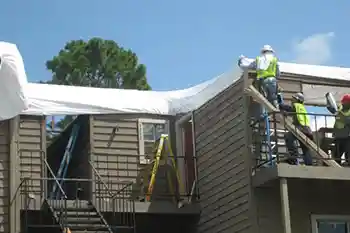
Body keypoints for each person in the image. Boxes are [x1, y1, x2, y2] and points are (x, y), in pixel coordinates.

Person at [238, 44, 280, 109]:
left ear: (263, 52)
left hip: (264, 81)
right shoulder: (274, 59)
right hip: (273, 80)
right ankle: (277, 110)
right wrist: (276, 78)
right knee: (274, 97)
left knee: (264, 99)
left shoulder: (259, 59)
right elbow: (278, 72)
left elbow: (249, 66)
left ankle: (267, 114)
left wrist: (241, 63)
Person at [279, 92, 313, 165]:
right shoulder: (301, 108)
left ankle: (293, 157)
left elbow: (290, 109)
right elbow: (294, 114)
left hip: (301, 128)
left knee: (288, 137)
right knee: (305, 149)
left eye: (293, 99)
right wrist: (286, 114)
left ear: (297, 100)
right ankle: (309, 165)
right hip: (307, 130)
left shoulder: (297, 105)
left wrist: (281, 105)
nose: (291, 100)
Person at [327, 94, 350, 165]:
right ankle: (337, 166)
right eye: (343, 102)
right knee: (337, 155)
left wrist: (339, 116)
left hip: (347, 136)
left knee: (348, 154)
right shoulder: (339, 108)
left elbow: (347, 120)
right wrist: (329, 103)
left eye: (345, 102)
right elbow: (332, 109)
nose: (343, 103)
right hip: (338, 135)